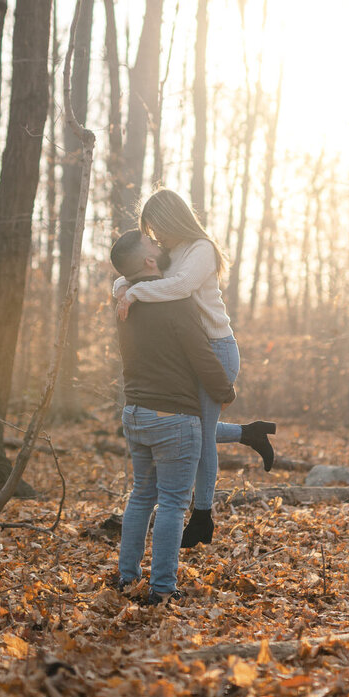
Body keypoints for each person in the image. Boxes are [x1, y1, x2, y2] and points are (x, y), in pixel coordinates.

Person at [113, 188, 276, 548]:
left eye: (157, 227)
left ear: (172, 219)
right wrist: (121, 286)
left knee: (200, 437)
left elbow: (182, 287)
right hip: (193, 349)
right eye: (150, 231)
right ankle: (250, 433)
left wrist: (134, 294)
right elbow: (139, 275)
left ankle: (203, 516)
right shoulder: (170, 251)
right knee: (191, 427)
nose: (156, 237)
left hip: (217, 349)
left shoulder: (201, 249)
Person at [110, 229, 236, 605]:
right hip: (173, 418)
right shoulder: (175, 302)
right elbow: (201, 355)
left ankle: (125, 576)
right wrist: (226, 392)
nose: (160, 246)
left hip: (134, 413)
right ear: (149, 261)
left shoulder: (123, 302)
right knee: (171, 505)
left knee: (140, 497)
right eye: (153, 245)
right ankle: (162, 588)